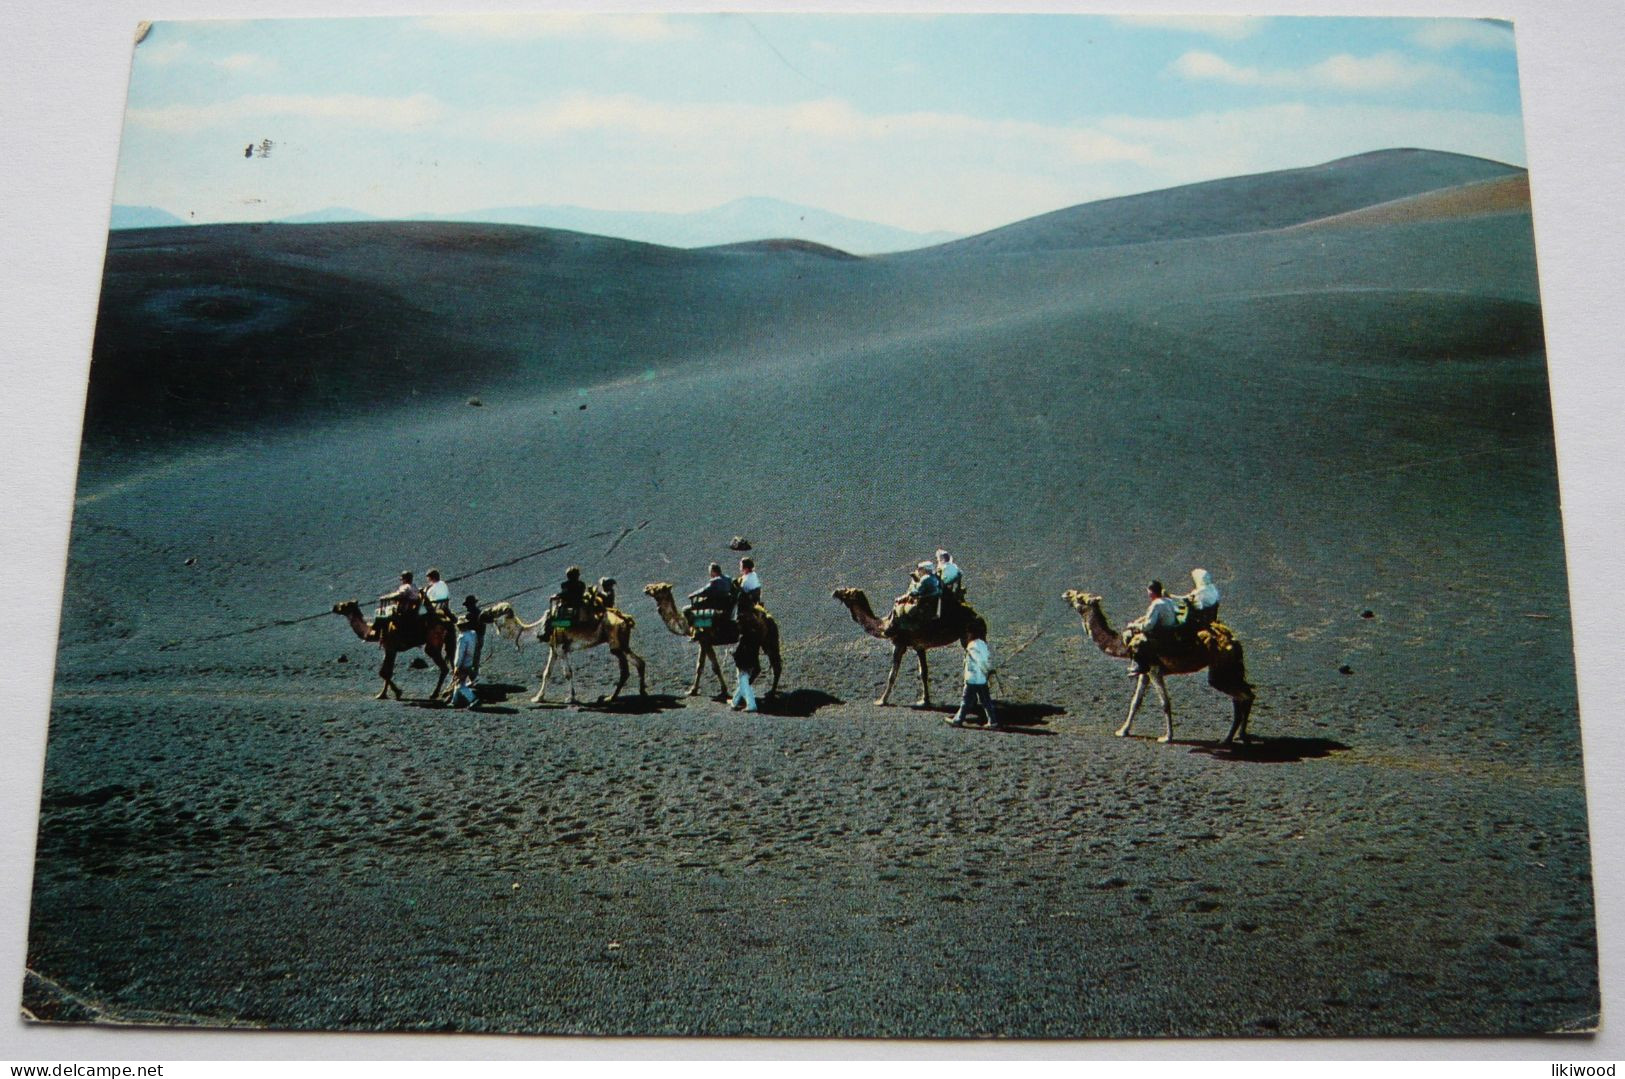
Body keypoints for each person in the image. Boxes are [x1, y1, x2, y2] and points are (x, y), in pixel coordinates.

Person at [1125, 579, 1179, 677]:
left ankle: (1142, 665)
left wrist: (1134, 625)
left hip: (1161, 634)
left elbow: (1148, 626)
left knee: (1133, 639)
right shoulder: (1169, 601)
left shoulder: (1156, 605)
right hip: (1171, 631)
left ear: (1151, 592)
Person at [946, 633, 998, 729]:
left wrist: (987, 670)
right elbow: (986, 659)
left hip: (973, 679)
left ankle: (958, 720)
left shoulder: (972, 645)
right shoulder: (983, 644)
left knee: (965, 701)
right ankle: (993, 721)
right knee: (986, 701)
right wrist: (989, 670)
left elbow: (979, 661)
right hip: (982, 679)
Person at [450, 595, 486, 709]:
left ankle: (473, 699)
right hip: (470, 661)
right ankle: (454, 701)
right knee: (458, 683)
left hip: (463, 663)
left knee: (460, 684)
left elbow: (459, 654)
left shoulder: (462, 638)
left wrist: (456, 666)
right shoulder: (473, 634)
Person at [731, 631, 760, 713]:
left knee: (744, 684)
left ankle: (751, 705)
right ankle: (734, 702)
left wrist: (732, 653)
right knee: (743, 684)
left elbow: (737, 652)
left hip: (743, 665)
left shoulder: (743, 637)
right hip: (751, 664)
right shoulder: (754, 636)